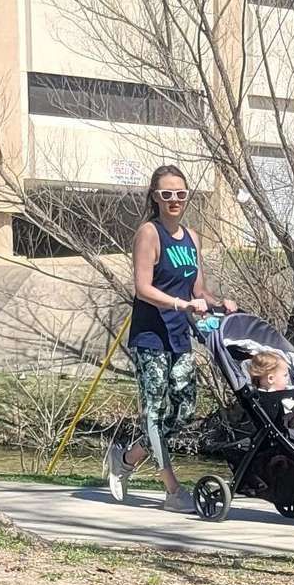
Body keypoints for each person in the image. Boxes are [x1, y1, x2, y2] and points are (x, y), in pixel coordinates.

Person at [106, 164, 236, 511]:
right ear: (155, 196)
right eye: (167, 194)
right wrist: (181, 304)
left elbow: (198, 289)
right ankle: (173, 491)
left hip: (179, 336)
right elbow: (143, 287)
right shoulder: (149, 233)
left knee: (183, 412)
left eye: (180, 193)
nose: (174, 200)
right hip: (151, 336)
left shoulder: (192, 237)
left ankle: (126, 459)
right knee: (153, 412)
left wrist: (218, 302)